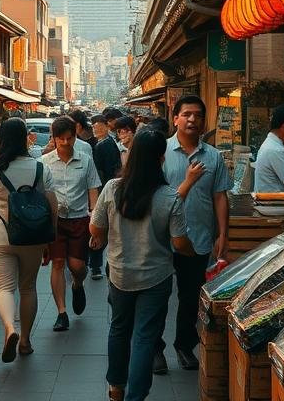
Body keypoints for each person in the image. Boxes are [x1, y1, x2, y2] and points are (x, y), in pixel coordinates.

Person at [91, 127, 197, 401]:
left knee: (119, 328)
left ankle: (116, 386)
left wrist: (103, 237)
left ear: (132, 155)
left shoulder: (112, 188)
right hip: (156, 278)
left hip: (120, 274)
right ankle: (135, 397)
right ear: (161, 158)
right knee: (144, 337)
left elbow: (95, 228)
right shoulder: (169, 196)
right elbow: (179, 243)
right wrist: (193, 253)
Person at [155, 95, 230, 374]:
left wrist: (224, 234)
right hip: (162, 240)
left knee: (190, 297)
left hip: (198, 238)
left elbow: (220, 196)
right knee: (158, 297)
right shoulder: (160, 152)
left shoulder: (213, 156)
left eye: (198, 115)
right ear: (175, 118)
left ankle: (184, 345)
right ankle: (155, 349)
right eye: (186, 114)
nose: (192, 120)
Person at [0, 117, 59, 363]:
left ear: (1, 139)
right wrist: (49, 238)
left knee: (3, 288)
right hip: (33, 237)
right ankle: (24, 340)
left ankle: (9, 329)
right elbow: (53, 206)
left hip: (0, 236)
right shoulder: (40, 168)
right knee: (28, 288)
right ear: (25, 138)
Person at [41, 116, 102, 330]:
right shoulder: (44, 162)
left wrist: (95, 219)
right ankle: (61, 312)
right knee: (57, 264)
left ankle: (77, 284)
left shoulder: (85, 160)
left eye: (70, 138)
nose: (66, 143)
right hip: (55, 221)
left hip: (79, 218)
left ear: (75, 137)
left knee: (78, 266)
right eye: (61, 139)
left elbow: (93, 189)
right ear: (54, 139)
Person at [89, 114, 125, 280]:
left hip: (106, 189)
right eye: (93, 126)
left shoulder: (104, 145)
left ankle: (96, 265)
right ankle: (96, 264)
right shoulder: (105, 143)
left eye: (97, 125)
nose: (95, 129)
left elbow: (103, 171)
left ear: (105, 126)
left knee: (101, 228)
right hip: (108, 189)